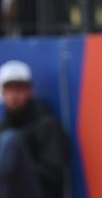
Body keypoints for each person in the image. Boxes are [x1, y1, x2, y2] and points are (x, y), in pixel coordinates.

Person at [0, 60, 68, 198]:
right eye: (9, 88)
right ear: (2, 93)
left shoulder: (47, 125)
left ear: (30, 90)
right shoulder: (3, 127)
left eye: (19, 88)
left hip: (38, 192)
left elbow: (53, 175)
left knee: (11, 139)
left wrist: (19, 166)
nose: (14, 95)